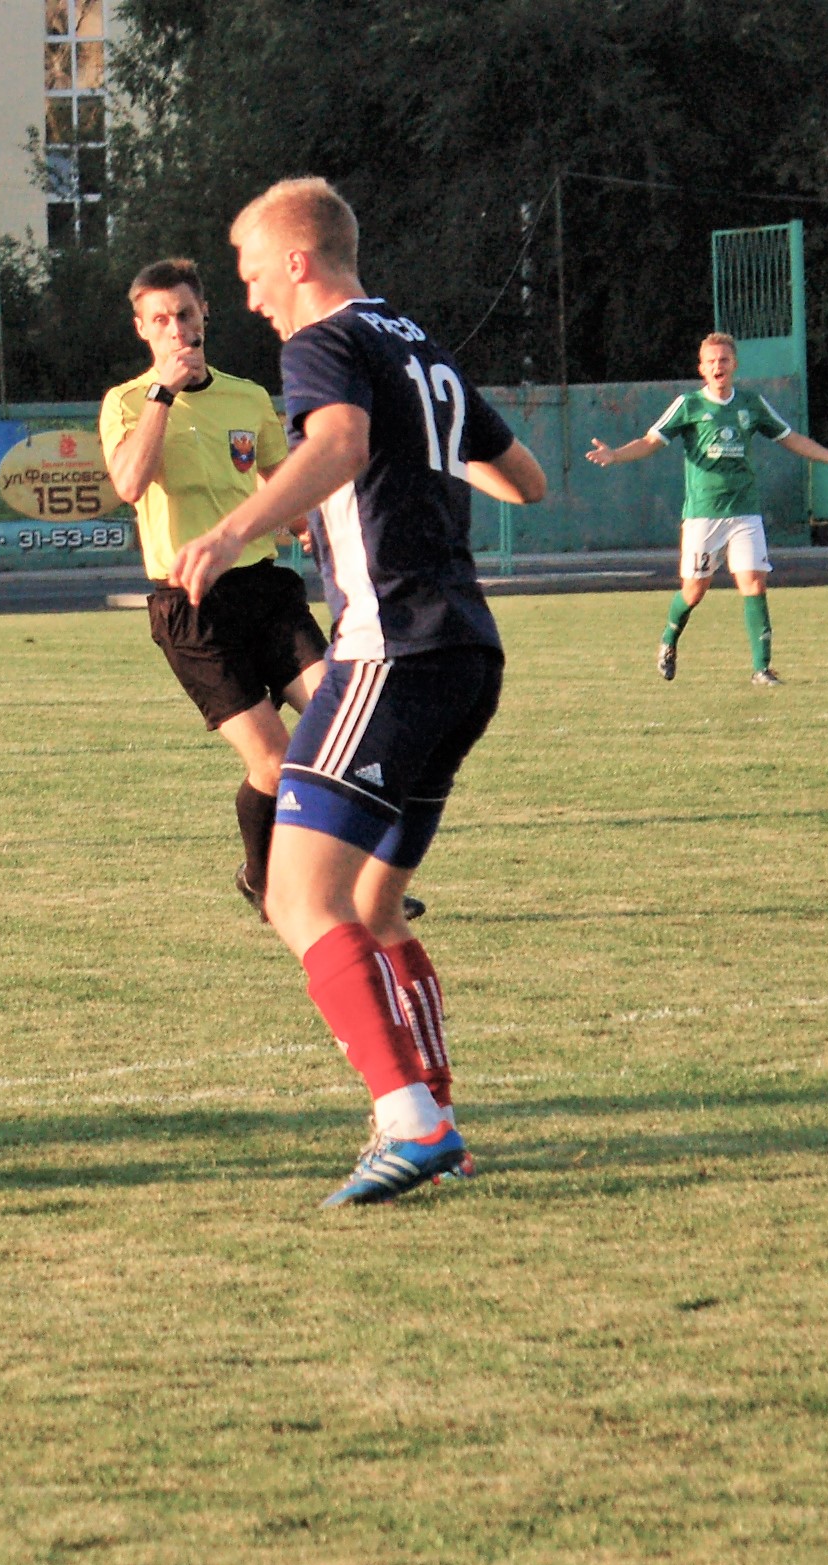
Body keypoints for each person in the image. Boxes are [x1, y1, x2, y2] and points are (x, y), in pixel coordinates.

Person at [171, 177, 547, 1208]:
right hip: (465, 649)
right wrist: (407, 467)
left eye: (250, 275)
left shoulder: (324, 339)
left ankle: (407, 1120)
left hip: (389, 650)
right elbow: (522, 478)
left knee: (297, 898)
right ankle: (435, 1110)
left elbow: (334, 444)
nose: (248, 300)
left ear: (296, 260)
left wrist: (236, 525)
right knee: (375, 905)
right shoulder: (412, 341)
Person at [101, 255, 332, 918]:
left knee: (339, 732)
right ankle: (270, 883)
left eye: (185, 314)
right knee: (275, 760)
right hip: (192, 608)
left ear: (206, 316)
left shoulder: (249, 398)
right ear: (143, 330)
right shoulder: (126, 403)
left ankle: (346, 886)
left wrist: (314, 525)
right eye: (160, 320)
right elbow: (129, 484)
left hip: (266, 591)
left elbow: (282, 484)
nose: (176, 329)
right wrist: (162, 396)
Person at [584, 334, 828, 685]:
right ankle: (668, 639)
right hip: (703, 515)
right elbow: (651, 441)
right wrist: (615, 454)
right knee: (694, 590)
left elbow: (791, 438)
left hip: (744, 512)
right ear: (701, 369)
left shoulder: (751, 404)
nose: (718, 367)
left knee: (753, 583)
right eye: (711, 362)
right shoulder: (689, 405)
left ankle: (762, 669)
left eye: (723, 360)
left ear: (734, 364)